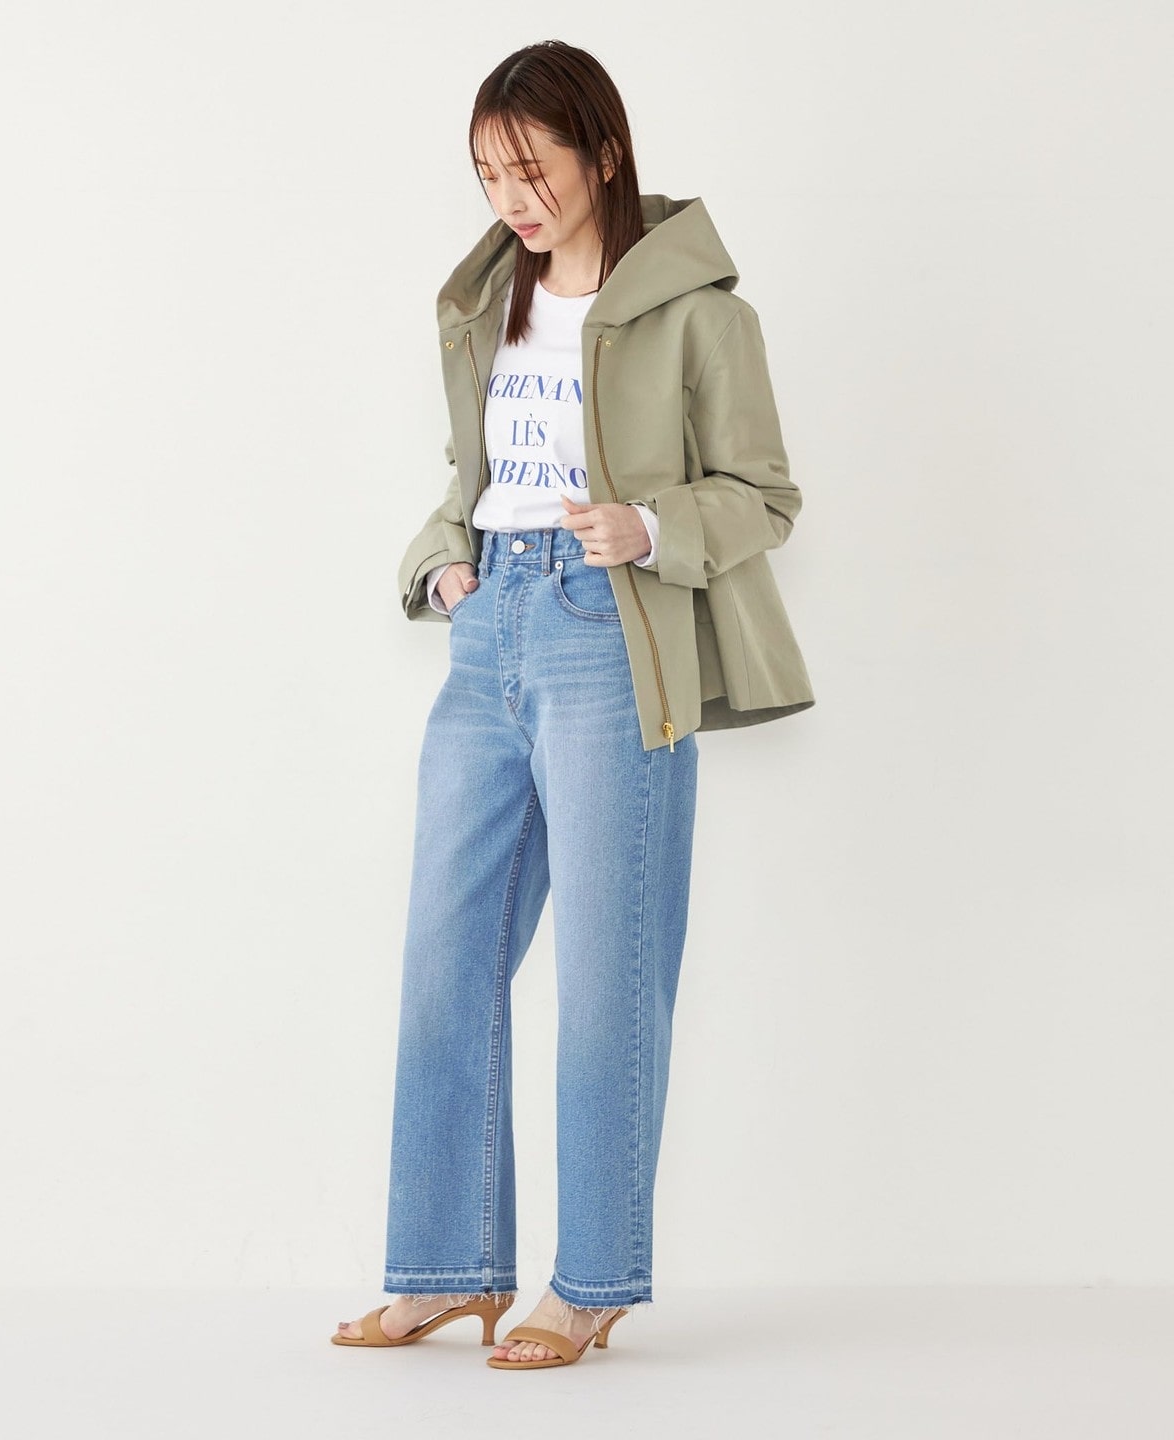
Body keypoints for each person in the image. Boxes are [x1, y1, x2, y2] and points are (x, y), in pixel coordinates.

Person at [331, 39, 814, 1371]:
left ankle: (591, 1281)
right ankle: (445, 1269)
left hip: (613, 636)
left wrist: (648, 526)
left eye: (532, 168)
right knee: (446, 956)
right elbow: (473, 473)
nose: (513, 199)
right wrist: (442, 559)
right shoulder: (487, 303)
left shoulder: (700, 312)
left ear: (601, 153)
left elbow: (766, 494)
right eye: (490, 175)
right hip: (489, 627)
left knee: (609, 972)